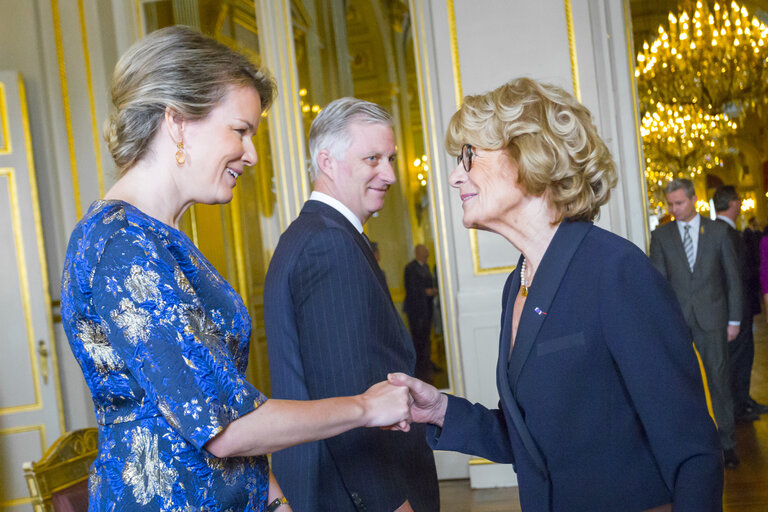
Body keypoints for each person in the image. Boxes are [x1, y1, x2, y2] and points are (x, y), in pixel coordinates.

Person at [60, 26, 413, 512]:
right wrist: (367, 407)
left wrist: (272, 499)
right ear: (178, 121)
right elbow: (225, 430)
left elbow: (226, 396)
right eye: (240, 130)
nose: (250, 154)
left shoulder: (162, 239)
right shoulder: (121, 246)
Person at [389, 77, 723, 511]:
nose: (455, 176)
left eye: (469, 156)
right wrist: (440, 411)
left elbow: (693, 451)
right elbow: (530, 437)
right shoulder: (519, 282)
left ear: (529, 156)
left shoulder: (615, 271)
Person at [264, 97, 439, 512]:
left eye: (391, 158)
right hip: (357, 494)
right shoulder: (328, 244)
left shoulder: (317, 236)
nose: (391, 174)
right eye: (373, 158)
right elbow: (344, 394)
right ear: (327, 161)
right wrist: (391, 503)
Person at [651, 178, 742, 468]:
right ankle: (691, 446)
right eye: (670, 204)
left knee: (719, 380)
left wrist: (734, 320)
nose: (674, 209)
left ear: (693, 200)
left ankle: (727, 444)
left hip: (713, 318)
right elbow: (658, 285)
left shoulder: (716, 232)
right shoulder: (661, 236)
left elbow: (733, 280)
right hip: (677, 323)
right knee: (681, 384)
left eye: (679, 203)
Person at [714, 186, 768, 421]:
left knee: (738, 358)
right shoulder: (726, 234)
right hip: (736, 309)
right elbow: (737, 274)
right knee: (740, 358)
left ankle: (742, 401)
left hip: (731, 308)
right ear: (734, 204)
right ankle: (740, 405)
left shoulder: (714, 232)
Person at [403, 244, 438, 382]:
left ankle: (426, 364)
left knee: (426, 339)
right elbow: (411, 288)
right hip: (416, 312)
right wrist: (425, 292)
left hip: (427, 309)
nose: (427, 255)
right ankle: (419, 369)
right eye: (425, 252)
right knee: (418, 340)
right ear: (418, 252)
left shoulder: (427, 267)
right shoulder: (410, 268)